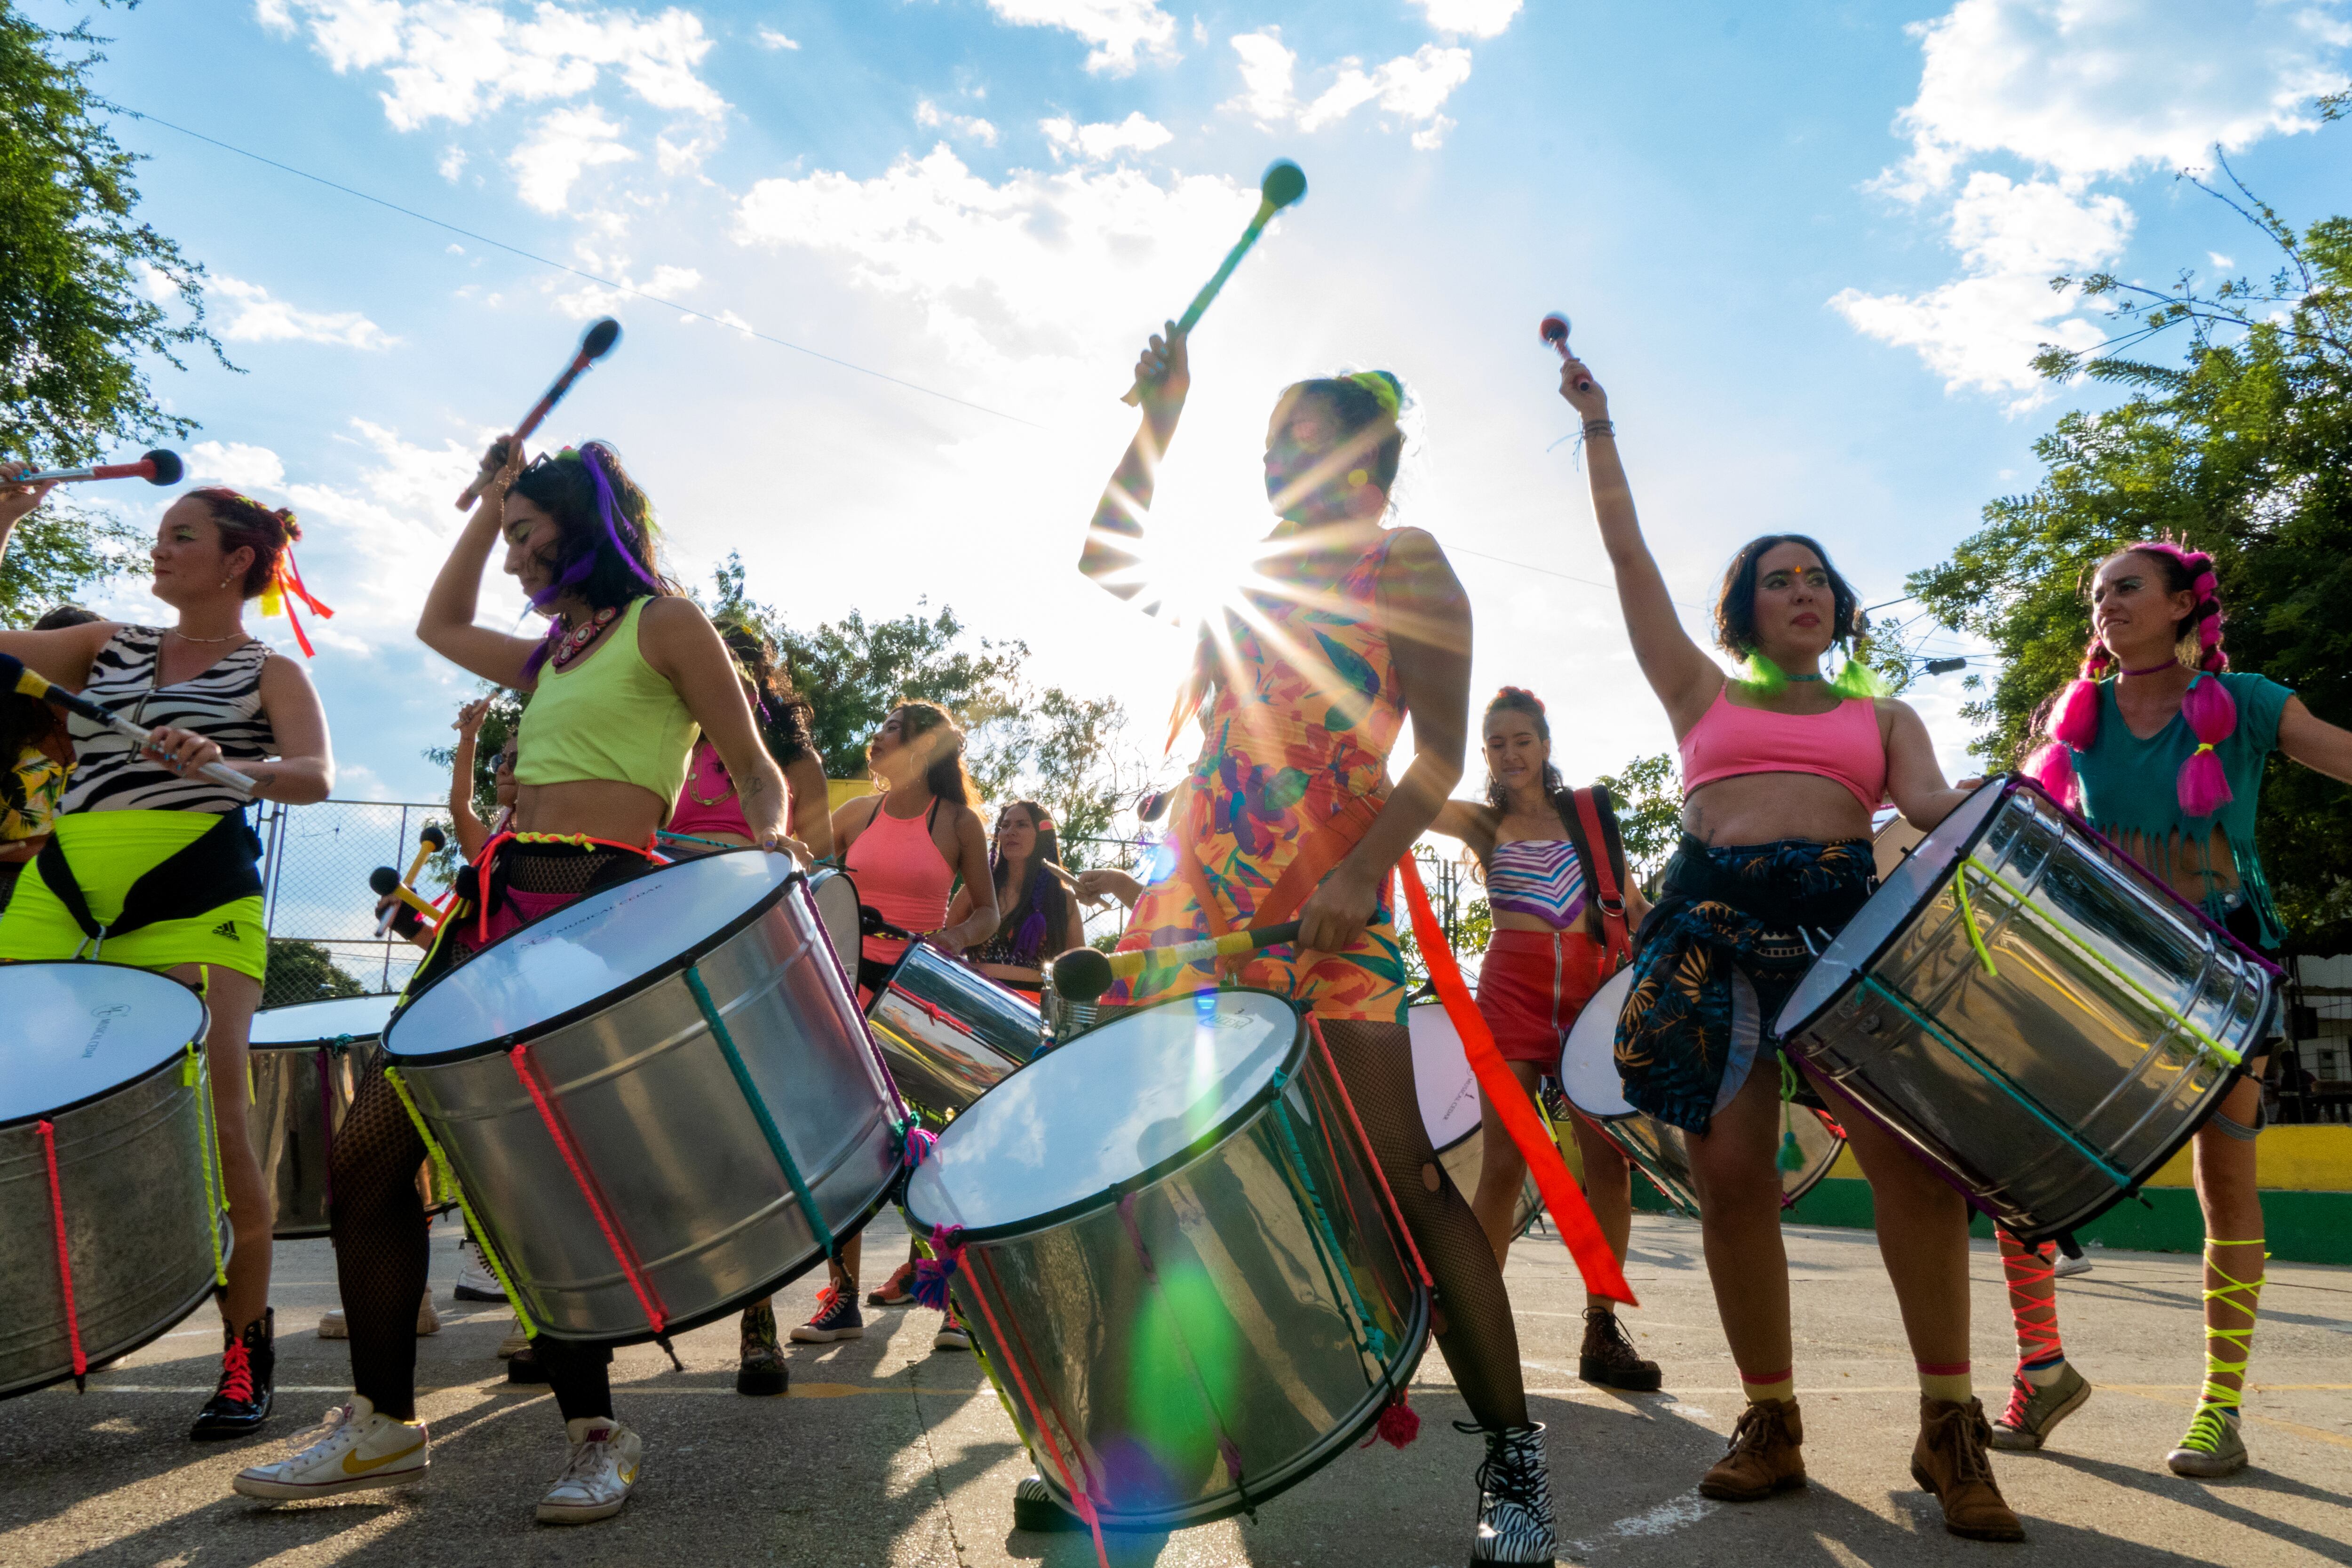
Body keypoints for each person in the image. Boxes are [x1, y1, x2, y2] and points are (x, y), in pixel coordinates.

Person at [1059, 323, 1554, 1567]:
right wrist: (1159, 417)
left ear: (1369, 454)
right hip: (1199, 893)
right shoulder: (1249, 568)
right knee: (1153, 1183)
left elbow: (1437, 750)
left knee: (1401, 1177)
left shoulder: (1409, 559)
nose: (1279, 456)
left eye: (1306, 436)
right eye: (1268, 440)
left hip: (1333, 874)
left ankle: (1513, 1453)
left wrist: (1360, 866)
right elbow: (1107, 554)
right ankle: (1127, 1493)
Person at [230, 437, 794, 1525]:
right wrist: (489, 506)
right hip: (494, 912)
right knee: (363, 1157)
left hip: (599, 911)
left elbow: (756, 766)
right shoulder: (552, 656)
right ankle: (384, 1422)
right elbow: (437, 627)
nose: (516, 559)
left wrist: (770, 852)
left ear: (585, 525)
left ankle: (596, 1428)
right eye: (511, 537)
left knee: (544, 1175)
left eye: (530, 534)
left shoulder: (666, 625)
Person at [1556, 350, 2023, 1540]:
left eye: (1816, 578)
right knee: (1729, 1183)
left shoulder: (1884, 716)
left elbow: (1926, 809)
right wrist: (1600, 427)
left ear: (1837, 603)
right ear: (1746, 607)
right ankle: (1771, 1419)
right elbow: (1627, 561)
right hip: (1709, 928)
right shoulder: (1699, 696)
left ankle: (1948, 1426)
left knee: (1912, 1167)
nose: (1803, 591)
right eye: (1779, 579)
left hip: (1837, 930)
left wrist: (2013, 782)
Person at [1991, 540, 2352, 1476]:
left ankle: (2218, 1411)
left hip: (2223, 969)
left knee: (2224, 1187)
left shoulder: (2250, 704)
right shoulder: (2068, 714)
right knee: (2010, 1169)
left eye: (2126, 587)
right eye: (2097, 593)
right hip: (2095, 964)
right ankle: (2041, 1371)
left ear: (2183, 604)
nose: (2105, 603)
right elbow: (2016, 819)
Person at [0, 472, 336, 1441]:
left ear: (237, 560)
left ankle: (244, 1347)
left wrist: (236, 765)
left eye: (181, 535)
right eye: (158, 535)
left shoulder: (270, 669)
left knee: (221, 1116)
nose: (160, 550)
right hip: (62, 884)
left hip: (195, 892)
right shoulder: (105, 643)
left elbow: (313, 775)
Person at [1428, 685, 1658, 1391]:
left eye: (1521, 739)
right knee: (1505, 1166)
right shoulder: (1482, 823)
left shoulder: (1590, 817)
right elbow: (1403, 797)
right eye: (1496, 743)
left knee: (1608, 1168)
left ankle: (1602, 1333)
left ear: (1546, 742)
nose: (1509, 753)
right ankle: (1476, 1326)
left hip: (1594, 1001)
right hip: (1510, 1000)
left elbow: (1636, 906)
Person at [658, 616, 833, 1396]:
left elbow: (814, 866)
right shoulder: (669, 741)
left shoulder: (793, 761)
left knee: (752, 1134)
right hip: (663, 950)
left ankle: (757, 1319)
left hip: (750, 952)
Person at [791, 700, 994, 1350]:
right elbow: (801, 871)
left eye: (889, 730)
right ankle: (842, 1301)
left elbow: (988, 912)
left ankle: (956, 1299)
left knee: (934, 1148)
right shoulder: (859, 815)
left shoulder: (959, 822)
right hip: (845, 988)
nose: (874, 739)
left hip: (916, 995)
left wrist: (953, 938)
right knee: (846, 1145)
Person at [0, 605, 104, 914]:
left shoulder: (122, 738)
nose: (80, 686)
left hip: (80, 898)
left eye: (91, 669)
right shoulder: (6, 724)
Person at [951, 799, 1086, 995]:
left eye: (1021, 825)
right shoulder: (978, 888)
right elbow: (946, 937)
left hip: (1033, 1008)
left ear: (1041, 837)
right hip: (973, 995)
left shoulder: (1063, 899)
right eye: (1005, 826)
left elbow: (1078, 964)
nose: (1010, 832)